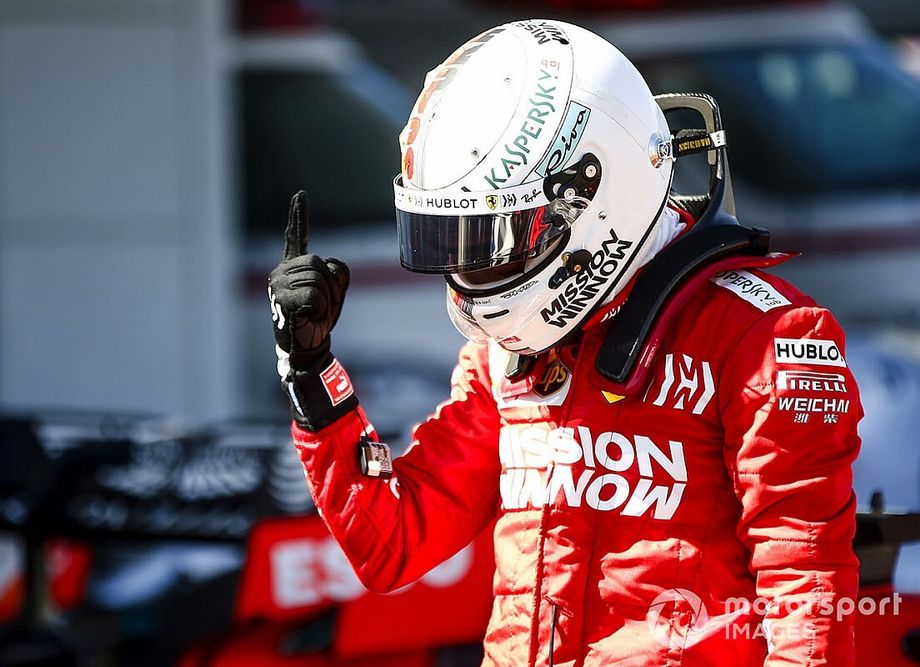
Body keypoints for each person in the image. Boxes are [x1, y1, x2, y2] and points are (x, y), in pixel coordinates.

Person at [267, 19, 861, 667]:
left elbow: (806, 593)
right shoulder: (506, 350)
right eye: (456, 240)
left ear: (591, 198)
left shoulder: (766, 338)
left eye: (492, 239)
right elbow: (393, 544)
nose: (472, 270)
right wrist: (311, 372)